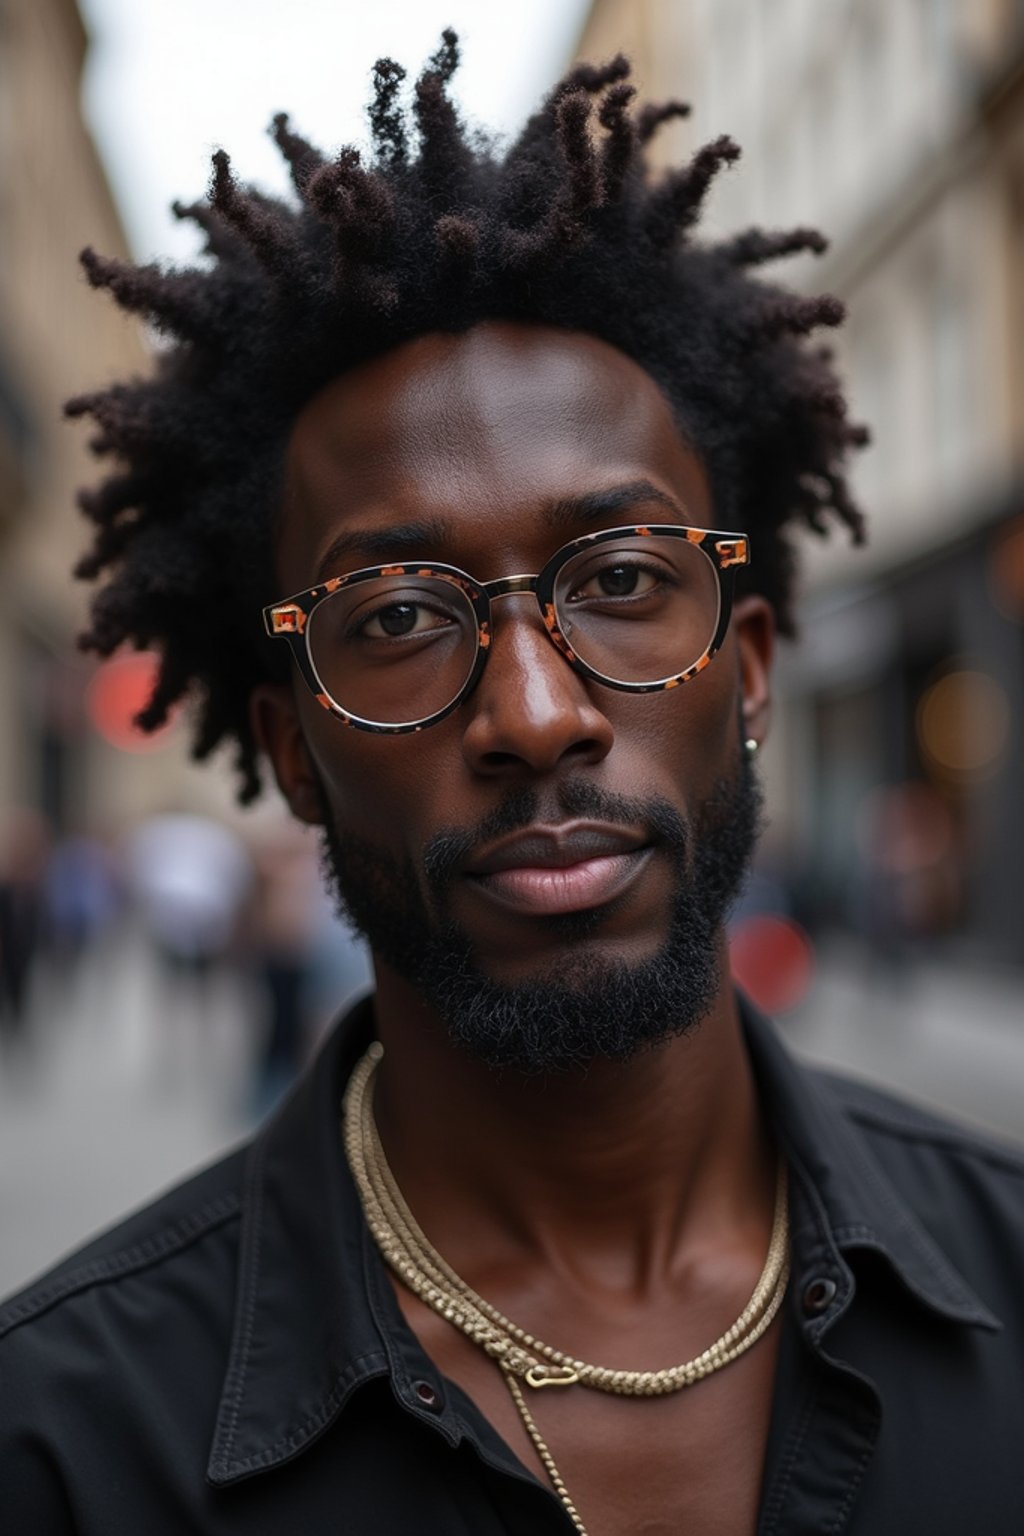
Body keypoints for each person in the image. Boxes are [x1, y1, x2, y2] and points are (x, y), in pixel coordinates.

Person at [2, 37, 1022, 1535]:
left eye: (618, 578)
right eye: (402, 618)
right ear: (293, 749)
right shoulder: (67, 1452)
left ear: (745, 668)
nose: (536, 716)